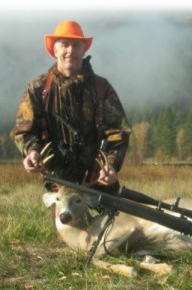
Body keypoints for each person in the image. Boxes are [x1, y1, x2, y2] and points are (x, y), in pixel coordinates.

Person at [13, 20, 130, 193]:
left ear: (84, 50)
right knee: (66, 220)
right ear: (55, 49)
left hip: (99, 183)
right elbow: (25, 131)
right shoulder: (38, 88)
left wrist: (111, 166)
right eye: (65, 45)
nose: (71, 51)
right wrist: (32, 152)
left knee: (112, 221)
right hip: (57, 184)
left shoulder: (101, 88)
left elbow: (118, 133)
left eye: (76, 45)